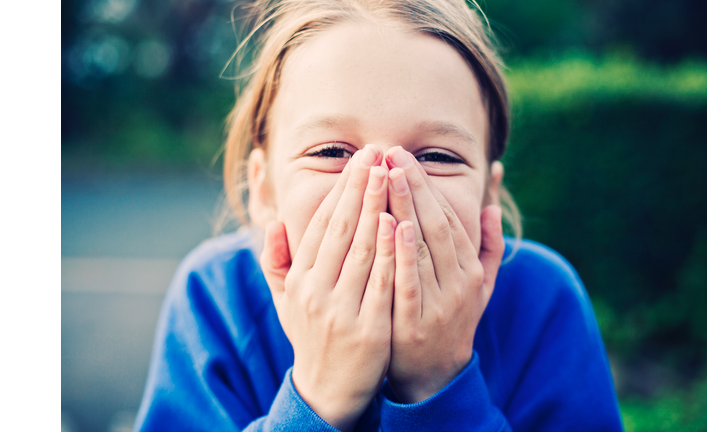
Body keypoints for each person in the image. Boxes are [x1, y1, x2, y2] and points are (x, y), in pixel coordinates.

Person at [134, 0, 623, 431]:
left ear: (487, 199)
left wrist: (439, 387)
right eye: (330, 150)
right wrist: (319, 396)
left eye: (437, 157)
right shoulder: (216, 297)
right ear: (264, 189)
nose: (384, 185)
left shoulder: (541, 300)